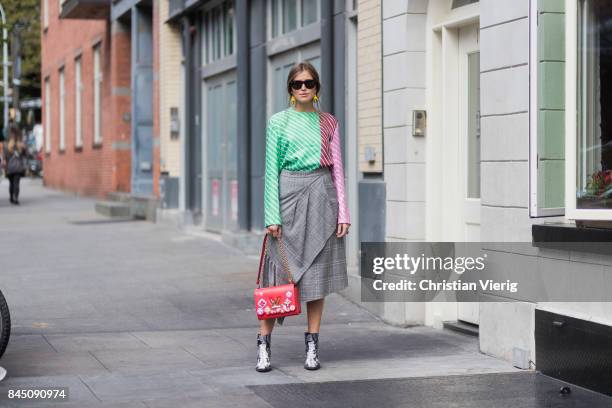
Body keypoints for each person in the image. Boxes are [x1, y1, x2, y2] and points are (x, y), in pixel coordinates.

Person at [256, 61, 351, 372]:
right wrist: (272, 215)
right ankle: (263, 347)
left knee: (316, 279)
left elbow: (338, 170)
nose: (304, 88)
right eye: (297, 84)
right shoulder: (278, 122)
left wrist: (344, 213)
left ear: (317, 87)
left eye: (309, 83)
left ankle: (312, 346)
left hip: (323, 199)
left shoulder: (329, 123)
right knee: (277, 275)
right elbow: (271, 170)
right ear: (290, 90)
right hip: (288, 198)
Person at [3, 126, 27, 205]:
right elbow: (25, 154)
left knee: (11, 183)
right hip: (18, 166)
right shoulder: (20, 144)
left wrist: (5, 166)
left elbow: (5, 157)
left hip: (10, 167)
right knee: (17, 183)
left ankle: (11, 197)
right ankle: (16, 197)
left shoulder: (7, 145)